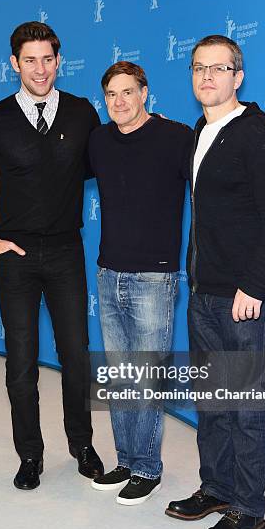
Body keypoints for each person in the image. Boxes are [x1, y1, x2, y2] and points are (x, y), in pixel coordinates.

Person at [165, 35, 265, 529]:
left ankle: (248, 506)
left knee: (244, 403)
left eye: (218, 69)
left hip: (246, 297)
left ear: (238, 77)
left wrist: (256, 286)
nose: (207, 77)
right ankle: (217, 487)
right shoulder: (202, 130)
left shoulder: (261, 136)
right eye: (199, 68)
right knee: (213, 401)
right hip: (204, 293)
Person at [0, 21, 103, 490]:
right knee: (20, 362)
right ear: (14, 64)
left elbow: (118, 154)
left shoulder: (83, 113)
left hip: (66, 251)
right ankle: (30, 455)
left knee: (76, 357)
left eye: (47, 59)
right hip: (15, 256)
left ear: (59, 61)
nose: (39, 69)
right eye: (29, 60)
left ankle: (82, 443)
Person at [88, 62, 193, 505]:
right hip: (109, 273)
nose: (119, 102)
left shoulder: (176, 137)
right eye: (111, 94)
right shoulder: (98, 141)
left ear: (145, 93)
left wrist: (258, 117)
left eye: (127, 92)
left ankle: (148, 468)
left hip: (155, 275)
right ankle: (127, 460)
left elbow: (222, 150)